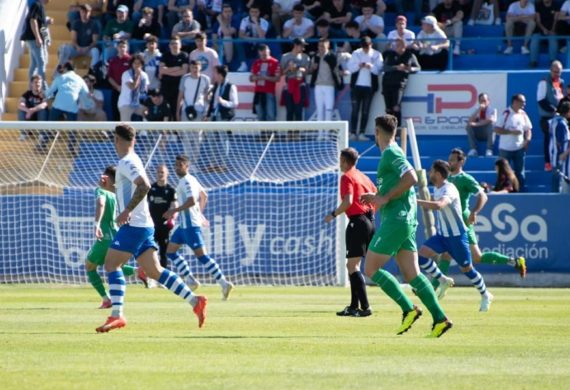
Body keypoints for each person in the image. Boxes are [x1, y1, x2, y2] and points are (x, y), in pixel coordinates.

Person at [95, 124, 207, 333]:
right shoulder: (131, 161)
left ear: (116, 140)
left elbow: (144, 185)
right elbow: (130, 188)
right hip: (144, 224)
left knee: (111, 265)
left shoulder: (127, 161)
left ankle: (117, 314)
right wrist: (109, 188)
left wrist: (127, 210)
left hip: (135, 225)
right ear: (134, 140)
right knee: (155, 271)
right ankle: (195, 301)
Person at [360, 115, 453, 338]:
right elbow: (401, 184)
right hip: (406, 219)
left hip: (397, 219)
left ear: (377, 132)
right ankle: (440, 319)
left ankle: (408, 309)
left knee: (371, 269)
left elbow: (411, 177)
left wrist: (383, 199)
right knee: (412, 274)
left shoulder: (391, 152)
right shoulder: (391, 153)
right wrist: (378, 196)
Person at [434, 148, 527, 290]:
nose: (450, 162)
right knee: (475, 257)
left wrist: (474, 212)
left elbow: (483, 196)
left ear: (462, 161)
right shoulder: (447, 178)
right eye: (449, 159)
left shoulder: (465, 178)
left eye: (453, 160)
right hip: (452, 221)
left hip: (462, 221)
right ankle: (514, 262)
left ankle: (432, 287)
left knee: (447, 254)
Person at [417, 160, 494, 312]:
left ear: (438, 174)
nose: (429, 174)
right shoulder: (437, 188)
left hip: (457, 237)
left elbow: (439, 205)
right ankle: (442, 279)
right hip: (442, 236)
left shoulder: (449, 189)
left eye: (432, 171)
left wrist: (415, 201)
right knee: (421, 256)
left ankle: (486, 294)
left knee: (467, 269)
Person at [164, 154, 234, 299]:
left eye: (180, 165)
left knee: (202, 256)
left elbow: (192, 200)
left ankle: (224, 283)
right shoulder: (190, 179)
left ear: (187, 166)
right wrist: (200, 214)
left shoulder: (187, 181)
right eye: (176, 165)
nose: (177, 167)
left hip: (190, 226)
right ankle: (190, 279)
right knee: (170, 252)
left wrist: (174, 211)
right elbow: (204, 196)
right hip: (183, 226)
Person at [325, 147, 376, 317]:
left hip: (358, 221)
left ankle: (365, 307)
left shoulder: (347, 177)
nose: (339, 163)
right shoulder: (363, 176)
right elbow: (375, 195)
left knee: (352, 266)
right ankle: (354, 306)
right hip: (370, 220)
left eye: (340, 160)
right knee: (354, 266)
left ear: (345, 161)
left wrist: (333, 214)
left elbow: (348, 201)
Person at [86, 165, 143, 309]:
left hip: (105, 236)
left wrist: (96, 224)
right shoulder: (115, 193)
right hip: (117, 234)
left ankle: (107, 299)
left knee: (90, 266)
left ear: (106, 177)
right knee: (111, 265)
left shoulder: (101, 191)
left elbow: (100, 203)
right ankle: (138, 271)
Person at [346, 36, 384, 140]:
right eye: (364, 46)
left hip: (369, 87)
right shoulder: (356, 53)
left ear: (371, 44)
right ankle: (353, 132)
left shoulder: (377, 55)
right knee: (355, 110)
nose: (365, 48)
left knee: (365, 111)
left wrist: (370, 66)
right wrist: (359, 65)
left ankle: (362, 132)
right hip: (356, 86)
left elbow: (379, 70)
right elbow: (350, 68)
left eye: (367, 46)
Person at [494, 93, 532, 190]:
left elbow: (528, 129)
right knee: (502, 172)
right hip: (505, 149)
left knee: (520, 172)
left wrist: (527, 140)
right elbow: (497, 129)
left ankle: (520, 193)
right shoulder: (506, 113)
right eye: (522, 102)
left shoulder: (523, 114)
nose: (524, 104)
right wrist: (511, 132)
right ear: (515, 102)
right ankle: (501, 190)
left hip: (519, 149)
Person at [382, 38, 420, 128]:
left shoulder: (410, 55)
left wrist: (409, 69)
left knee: (396, 107)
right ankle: (388, 128)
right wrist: (396, 67)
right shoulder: (390, 54)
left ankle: (397, 129)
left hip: (399, 84)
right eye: (395, 45)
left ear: (404, 46)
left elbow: (417, 68)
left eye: (399, 45)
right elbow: (385, 68)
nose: (396, 47)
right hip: (387, 83)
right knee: (388, 108)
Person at [148, 164, 177, 269]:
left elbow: (175, 207)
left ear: (167, 174)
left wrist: (172, 218)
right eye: (158, 172)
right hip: (151, 225)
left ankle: (163, 278)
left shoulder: (171, 190)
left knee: (164, 251)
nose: (160, 174)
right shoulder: (151, 188)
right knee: (149, 250)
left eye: (162, 172)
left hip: (164, 225)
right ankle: (150, 275)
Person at [537, 61, 564, 172]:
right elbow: (541, 100)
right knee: (548, 138)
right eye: (555, 72)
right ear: (550, 70)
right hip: (547, 117)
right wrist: (554, 110)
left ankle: (560, 160)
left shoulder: (560, 82)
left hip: (558, 117)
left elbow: (559, 98)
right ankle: (548, 162)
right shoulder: (543, 82)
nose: (557, 74)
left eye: (559, 72)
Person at [58, 4, 101, 71]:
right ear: (80, 12)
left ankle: (93, 72)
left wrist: (87, 48)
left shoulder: (94, 24)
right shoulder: (76, 23)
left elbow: (94, 41)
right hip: (77, 48)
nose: (84, 14)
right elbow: (73, 39)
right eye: (82, 12)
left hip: (88, 48)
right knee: (64, 48)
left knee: (95, 51)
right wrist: (78, 47)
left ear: (90, 13)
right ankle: (61, 70)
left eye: (86, 12)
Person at [309, 38, 342, 124]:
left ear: (328, 46)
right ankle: (320, 135)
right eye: (319, 46)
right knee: (320, 110)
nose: (321, 48)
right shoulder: (315, 57)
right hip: (318, 85)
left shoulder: (332, 56)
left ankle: (327, 134)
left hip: (329, 85)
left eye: (323, 46)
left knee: (328, 110)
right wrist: (313, 68)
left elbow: (337, 70)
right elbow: (311, 70)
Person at [20, 0, 51, 91]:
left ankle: (31, 87)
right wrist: (38, 37)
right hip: (34, 39)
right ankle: (44, 88)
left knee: (34, 64)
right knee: (41, 63)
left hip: (33, 39)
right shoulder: (37, 5)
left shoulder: (39, 7)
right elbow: (32, 20)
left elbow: (42, 25)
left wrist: (46, 39)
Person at [280, 37, 311, 122]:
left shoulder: (305, 57)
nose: (303, 48)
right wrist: (289, 68)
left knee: (299, 110)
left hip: (300, 85)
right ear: (295, 45)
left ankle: (298, 133)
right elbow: (281, 72)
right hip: (289, 84)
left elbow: (307, 71)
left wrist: (298, 68)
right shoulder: (285, 56)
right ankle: (290, 133)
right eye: (301, 46)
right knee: (289, 110)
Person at [159, 37, 189, 120]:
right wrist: (177, 68)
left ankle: (176, 131)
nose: (174, 45)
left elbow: (184, 71)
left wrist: (168, 71)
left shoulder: (184, 55)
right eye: (172, 43)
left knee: (177, 110)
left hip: (179, 88)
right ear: (169, 45)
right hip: (166, 87)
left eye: (176, 43)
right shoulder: (165, 55)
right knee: (166, 111)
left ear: (180, 45)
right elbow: (161, 70)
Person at [250, 44, 281, 122]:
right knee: (260, 114)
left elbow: (277, 78)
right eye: (262, 55)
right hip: (258, 92)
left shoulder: (275, 62)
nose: (263, 56)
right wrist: (255, 78)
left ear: (269, 52)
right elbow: (251, 78)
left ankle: (272, 133)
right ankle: (262, 133)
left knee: (271, 114)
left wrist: (265, 78)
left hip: (269, 92)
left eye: (265, 54)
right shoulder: (256, 63)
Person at [117, 53, 149, 121]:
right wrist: (138, 76)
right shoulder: (126, 74)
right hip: (125, 103)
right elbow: (133, 87)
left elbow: (145, 90)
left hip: (137, 103)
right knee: (125, 126)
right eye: (135, 63)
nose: (137, 65)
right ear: (131, 64)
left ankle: (144, 131)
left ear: (142, 64)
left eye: (139, 63)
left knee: (148, 111)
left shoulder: (145, 75)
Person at [18, 75, 49, 141]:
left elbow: (44, 104)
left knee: (43, 111)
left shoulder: (43, 94)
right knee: (21, 111)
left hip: (40, 117)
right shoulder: (27, 94)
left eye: (39, 82)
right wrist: (28, 111)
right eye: (35, 82)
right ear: (31, 83)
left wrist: (32, 110)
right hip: (29, 117)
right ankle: (23, 133)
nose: (37, 84)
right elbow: (20, 105)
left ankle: (42, 134)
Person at [107, 39, 132, 121]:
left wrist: (126, 88)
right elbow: (110, 77)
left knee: (128, 114)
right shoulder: (113, 61)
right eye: (120, 46)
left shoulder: (131, 60)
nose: (122, 48)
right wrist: (117, 87)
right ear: (117, 48)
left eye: (124, 46)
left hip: (128, 92)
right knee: (116, 113)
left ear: (127, 48)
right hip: (116, 90)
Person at [466, 93, 497, 157]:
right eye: (481, 101)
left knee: (491, 125)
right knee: (468, 126)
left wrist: (476, 124)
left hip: (488, 133)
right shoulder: (476, 110)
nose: (483, 102)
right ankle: (473, 149)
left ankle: (489, 150)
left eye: (484, 100)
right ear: (479, 101)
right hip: (478, 134)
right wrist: (478, 110)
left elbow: (490, 120)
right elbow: (469, 121)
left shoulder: (493, 110)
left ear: (488, 101)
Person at [529, 0, 559, 69]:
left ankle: (553, 62)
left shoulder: (556, 5)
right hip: (540, 29)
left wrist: (552, 30)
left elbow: (555, 20)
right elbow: (538, 20)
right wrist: (543, 29)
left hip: (551, 30)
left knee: (553, 39)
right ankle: (533, 61)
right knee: (535, 39)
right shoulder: (538, 5)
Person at [549, 101, 570, 193]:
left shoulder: (554, 121)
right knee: (559, 181)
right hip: (560, 157)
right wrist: (563, 153)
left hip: (554, 155)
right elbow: (561, 141)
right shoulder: (562, 124)